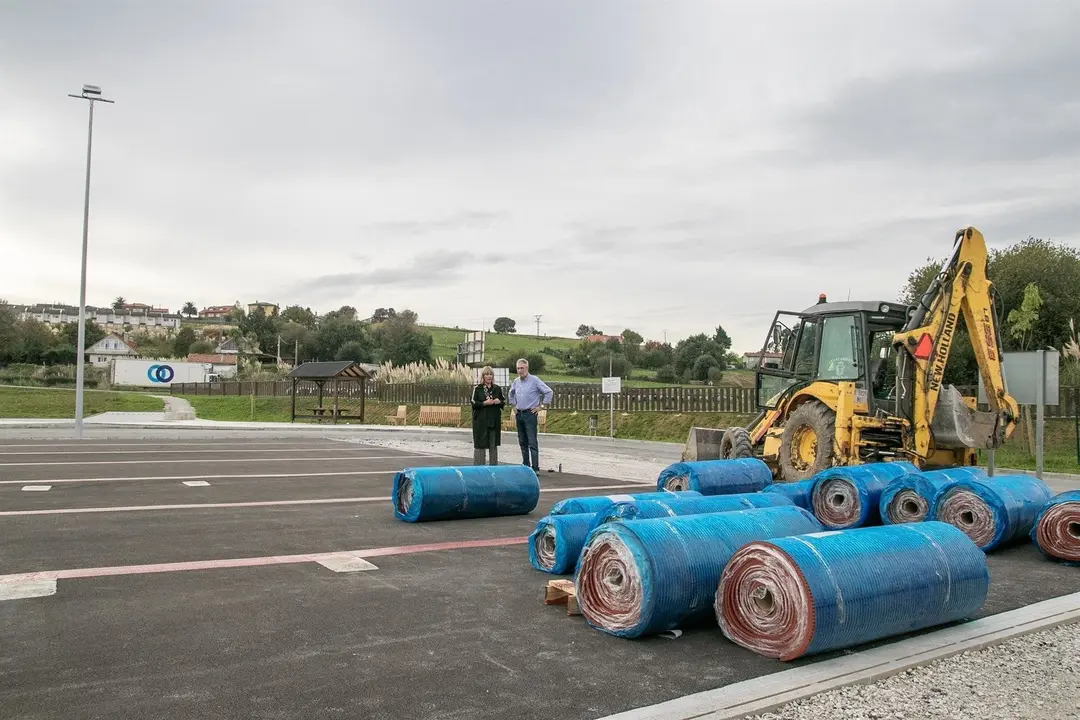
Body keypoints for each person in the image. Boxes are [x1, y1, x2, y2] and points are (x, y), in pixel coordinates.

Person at [508, 358, 553, 472]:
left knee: (532, 442)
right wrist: (513, 405)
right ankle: (526, 466)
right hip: (519, 413)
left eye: (522, 368)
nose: (520, 371)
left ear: (527, 368)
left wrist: (541, 406)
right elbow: (511, 393)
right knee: (522, 441)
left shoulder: (534, 380)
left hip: (530, 414)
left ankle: (535, 468)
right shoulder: (516, 381)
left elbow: (549, 392)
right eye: (518, 368)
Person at [470, 365, 505, 465]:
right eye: (486, 374)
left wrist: (499, 401)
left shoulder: (497, 388)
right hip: (481, 421)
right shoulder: (478, 389)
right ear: (483, 376)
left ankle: (494, 468)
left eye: (490, 374)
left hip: (493, 420)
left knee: (493, 445)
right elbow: (473, 403)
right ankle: (478, 468)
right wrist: (485, 403)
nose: (489, 376)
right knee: (480, 444)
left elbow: (503, 401)